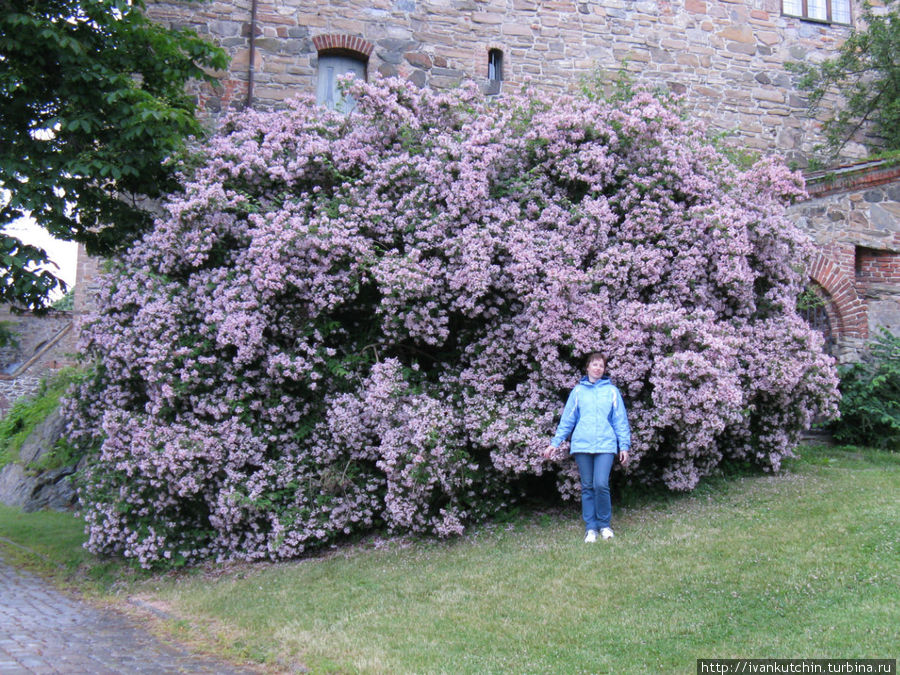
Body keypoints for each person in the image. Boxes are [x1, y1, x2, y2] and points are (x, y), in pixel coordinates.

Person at [544, 352, 631, 543]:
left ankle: (604, 525)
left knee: (601, 484)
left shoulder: (612, 392)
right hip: (582, 445)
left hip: (606, 446)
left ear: (604, 369)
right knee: (587, 486)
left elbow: (620, 421)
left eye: (601, 365)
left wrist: (623, 446)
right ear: (587, 367)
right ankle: (591, 528)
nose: (598, 368)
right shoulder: (577, 392)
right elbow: (567, 420)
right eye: (595, 365)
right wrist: (554, 444)